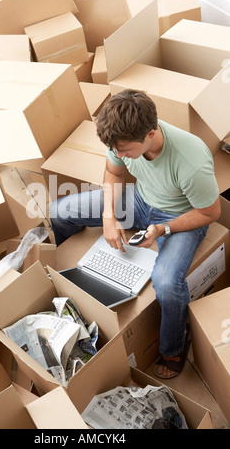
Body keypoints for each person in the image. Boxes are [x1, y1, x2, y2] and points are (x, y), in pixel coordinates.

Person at [49, 89, 221, 379]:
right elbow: (113, 172)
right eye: (115, 149)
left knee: (166, 283)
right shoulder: (119, 137)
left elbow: (210, 213)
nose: (119, 155)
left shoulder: (191, 161)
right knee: (59, 210)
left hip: (180, 215)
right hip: (140, 201)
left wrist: (163, 228)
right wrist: (108, 216)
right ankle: (67, 269)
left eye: (125, 150)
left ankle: (174, 348)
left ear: (151, 134)